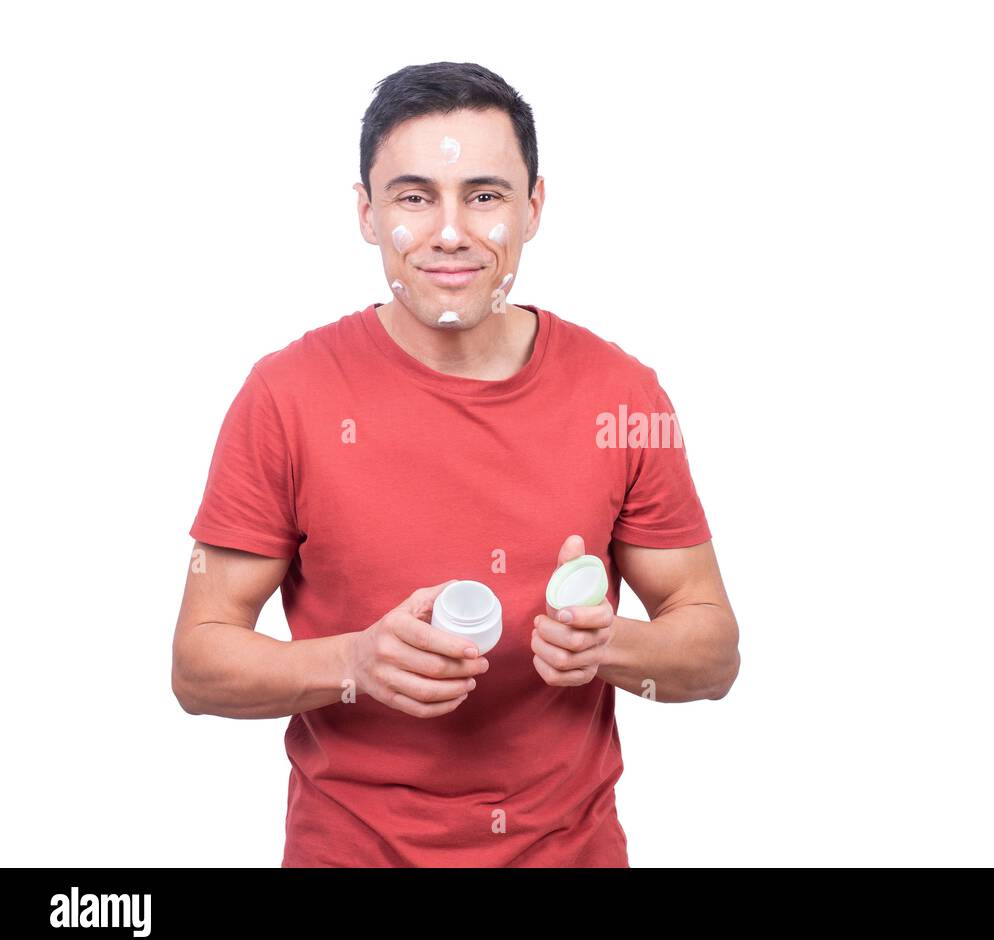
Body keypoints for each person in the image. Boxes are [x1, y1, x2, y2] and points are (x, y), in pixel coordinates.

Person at [171, 61, 740, 867]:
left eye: (483, 195)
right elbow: (197, 663)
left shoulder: (621, 395)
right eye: (414, 197)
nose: (449, 232)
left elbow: (714, 653)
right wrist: (352, 662)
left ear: (533, 207)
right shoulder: (285, 396)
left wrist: (608, 646)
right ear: (367, 213)